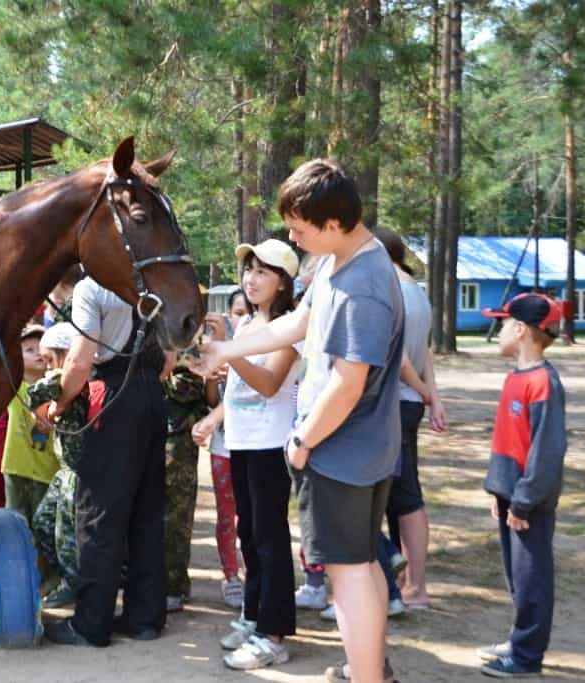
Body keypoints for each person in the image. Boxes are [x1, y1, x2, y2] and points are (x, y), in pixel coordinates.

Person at [196, 159, 404, 683]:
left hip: (342, 450)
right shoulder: (341, 262)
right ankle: (368, 667)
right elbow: (297, 322)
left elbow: (348, 383)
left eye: (299, 226)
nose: (291, 234)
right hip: (353, 449)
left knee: (348, 571)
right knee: (360, 564)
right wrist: (228, 346)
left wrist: (302, 441)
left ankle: (366, 675)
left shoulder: (364, 285)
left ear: (332, 223)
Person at [40, 276, 171, 647]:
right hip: (151, 394)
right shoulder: (152, 284)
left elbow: (80, 360)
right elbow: (170, 358)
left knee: (98, 514)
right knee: (147, 512)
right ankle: (145, 618)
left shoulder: (92, 288)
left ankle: (91, 623)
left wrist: (59, 403)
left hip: (110, 394)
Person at [193, 238, 300, 670]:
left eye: (263, 272)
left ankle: (274, 634)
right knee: (250, 535)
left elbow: (271, 384)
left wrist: (230, 356)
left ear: (283, 283)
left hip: (271, 444)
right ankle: (253, 616)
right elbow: (235, 387)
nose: (251, 279)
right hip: (241, 441)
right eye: (248, 270)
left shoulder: (289, 327)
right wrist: (220, 360)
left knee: (271, 538)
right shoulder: (249, 326)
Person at [476, 293, 566, 679]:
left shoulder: (544, 382)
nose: (497, 331)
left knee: (532, 580)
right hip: (511, 498)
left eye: (501, 324)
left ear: (520, 329)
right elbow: (508, 442)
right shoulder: (516, 376)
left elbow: (546, 453)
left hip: (528, 504)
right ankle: (519, 639)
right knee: (517, 576)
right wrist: (500, 490)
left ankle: (527, 656)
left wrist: (524, 501)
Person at [372, 225, 448, 610]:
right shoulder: (416, 293)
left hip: (395, 405)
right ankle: (407, 580)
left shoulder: (392, 292)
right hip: (409, 405)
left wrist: (423, 392)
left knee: (403, 498)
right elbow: (426, 352)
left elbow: (400, 359)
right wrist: (431, 397)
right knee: (400, 497)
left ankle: (415, 587)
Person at [29, 322, 89, 608]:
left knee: (67, 535)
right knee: (42, 523)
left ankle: (73, 584)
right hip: (64, 472)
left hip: (77, 474)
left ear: (67, 355)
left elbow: (37, 392)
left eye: (50, 359)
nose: (47, 367)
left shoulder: (76, 381)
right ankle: (71, 578)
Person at [198, 288, 249, 609]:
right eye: (237, 312)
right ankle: (231, 576)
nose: (241, 318)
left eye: (247, 312)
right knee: (226, 516)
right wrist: (211, 378)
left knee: (254, 517)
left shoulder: (264, 345)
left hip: (259, 445)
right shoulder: (218, 351)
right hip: (224, 446)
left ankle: (254, 573)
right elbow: (212, 402)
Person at [1, 325, 59, 526]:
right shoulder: (11, 387)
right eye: (29, 350)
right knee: (15, 523)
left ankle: (39, 558)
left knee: (42, 524)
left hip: (47, 470)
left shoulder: (57, 388)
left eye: (41, 348)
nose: (38, 354)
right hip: (16, 467)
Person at [162, 359, 208, 612]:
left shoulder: (182, 342)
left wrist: (163, 369)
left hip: (177, 444)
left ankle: (174, 586)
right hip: (148, 434)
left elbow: (186, 387)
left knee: (175, 520)